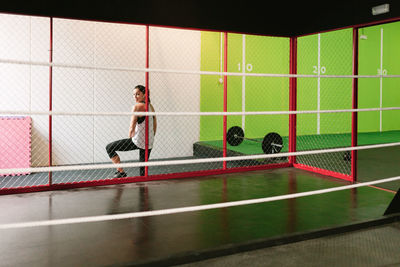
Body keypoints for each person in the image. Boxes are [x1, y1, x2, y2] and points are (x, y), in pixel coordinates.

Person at [106, 85, 157, 178]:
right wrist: (152, 136)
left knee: (109, 147)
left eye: (138, 94)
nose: (135, 97)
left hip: (137, 141)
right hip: (148, 142)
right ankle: (142, 185)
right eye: (134, 95)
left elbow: (132, 126)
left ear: (144, 95)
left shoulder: (137, 107)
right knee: (143, 173)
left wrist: (130, 138)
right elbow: (155, 122)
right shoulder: (150, 106)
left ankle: (121, 172)